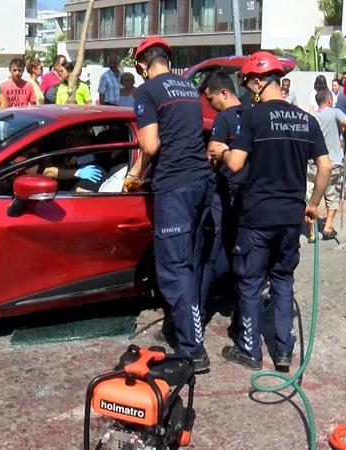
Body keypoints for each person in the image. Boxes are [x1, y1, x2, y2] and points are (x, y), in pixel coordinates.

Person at [208, 51, 331, 373]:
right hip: (291, 216)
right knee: (282, 279)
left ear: (260, 81)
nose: (249, 90)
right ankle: (283, 351)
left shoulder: (253, 117)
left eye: (249, 84)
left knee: (250, 281)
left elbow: (236, 163)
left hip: (258, 215)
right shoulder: (307, 119)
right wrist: (313, 204)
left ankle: (249, 349)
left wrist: (222, 150)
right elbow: (325, 167)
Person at [127, 36, 217, 372]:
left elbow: (151, 145)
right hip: (202, 183)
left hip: (175, 186)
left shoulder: (147, 91)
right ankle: (187, 325)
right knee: (193, 262)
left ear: (141, 64)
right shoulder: (188, 88)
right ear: (167, 58)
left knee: (174, 268)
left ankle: (193, 349)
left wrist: (135, 172)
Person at [204, 70, 247, 266]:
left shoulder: (223, 118)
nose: (210, 105)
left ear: (223, 93)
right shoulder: (251, 113)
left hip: (227, 190)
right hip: (249, 189)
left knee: (222, 240)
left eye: (210, 99)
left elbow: (212, 154)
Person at [308, 89, 346, 242]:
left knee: (311, 196)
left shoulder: (312, 116)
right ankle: (327, 226)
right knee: (331, 193)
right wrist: (343, 130)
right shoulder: (335, 112)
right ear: (329, 100)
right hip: (332, 161)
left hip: (314, 161)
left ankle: (312, 233)